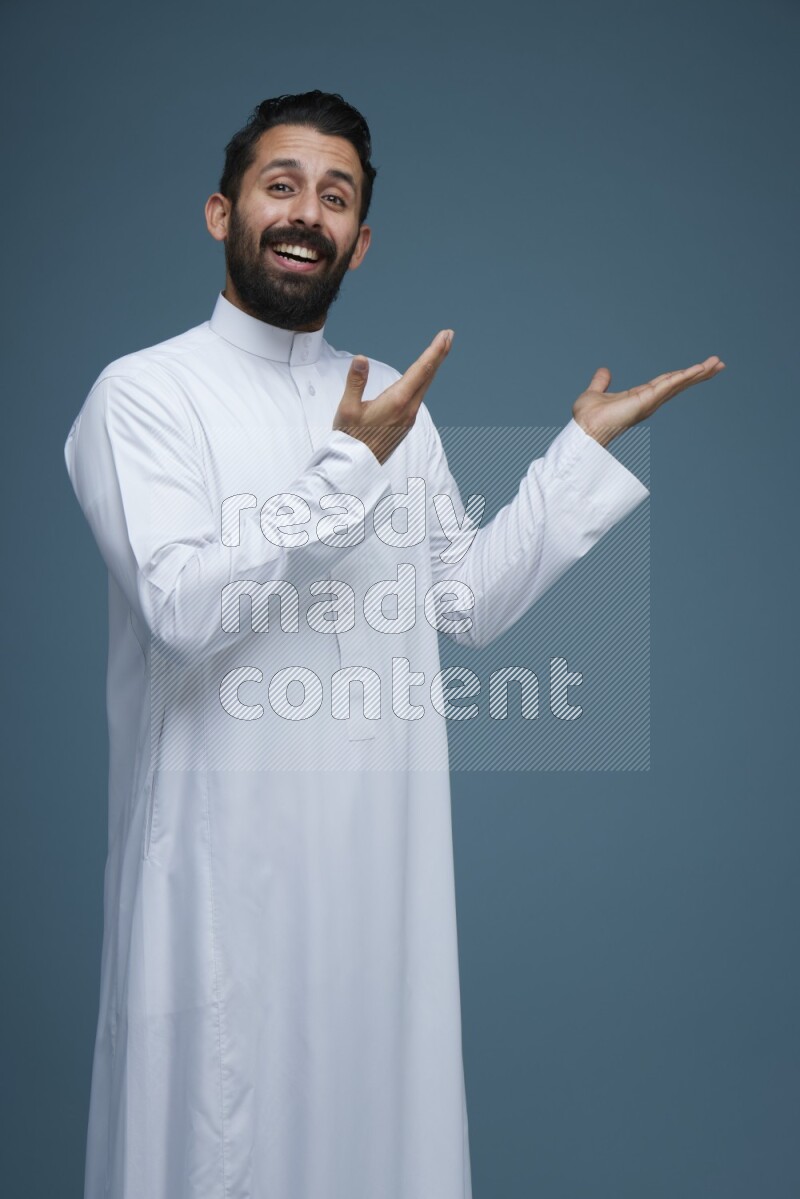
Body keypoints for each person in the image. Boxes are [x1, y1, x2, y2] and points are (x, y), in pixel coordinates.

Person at [64, 89, 724, 1199]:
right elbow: (179, 604)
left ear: (358, 244)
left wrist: (574, 455)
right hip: (219, 885)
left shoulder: (387, 409)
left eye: (334, 197)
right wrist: (346, 469)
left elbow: (460, 599)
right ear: (221, 210)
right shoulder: (142, 396)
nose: (304, 213)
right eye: (281, 184)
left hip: (378, 886)